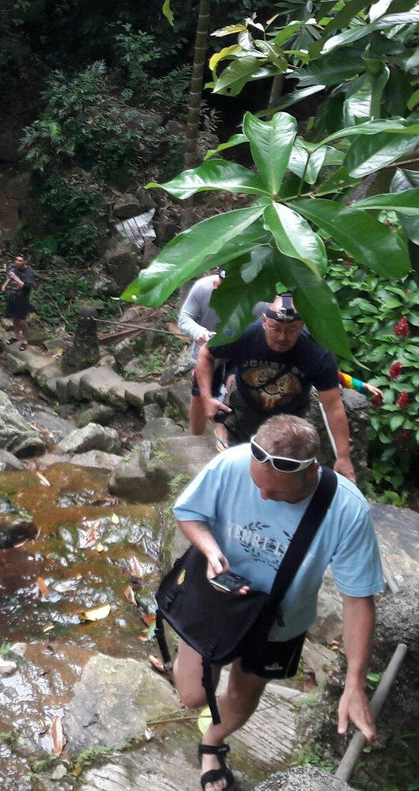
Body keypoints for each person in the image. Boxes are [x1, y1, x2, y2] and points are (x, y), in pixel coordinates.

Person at [172, 414, 382, 791]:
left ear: (310, 472)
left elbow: (358, 600)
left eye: (278, 493)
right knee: (192, 696)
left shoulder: (348, 511)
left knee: (243, 693)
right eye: (258, 486)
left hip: (280, 620)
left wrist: (355, 682)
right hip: (216, 599)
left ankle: (212, 743)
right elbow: (188, 513)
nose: (264, 497)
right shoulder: (231, 463)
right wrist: (210, 549)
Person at [196, 293, 357, 482]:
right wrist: (206, 398)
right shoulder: (243, 333)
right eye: (276, 328)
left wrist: (344, 456)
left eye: (291, 331)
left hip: (288, 420)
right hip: (243, 409)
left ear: (302, 326)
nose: (282, 337)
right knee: (236, 470)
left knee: (280, 475)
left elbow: (333, 406)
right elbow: (206, 354)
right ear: (264, 321)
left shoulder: (317, 353)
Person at [178, 270, 225, 437]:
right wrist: (198, 331)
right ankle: (195, 438)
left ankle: (224, 437)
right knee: (198, 397)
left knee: (232, 396)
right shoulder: (203, 288)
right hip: (205, 353)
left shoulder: (252, 293)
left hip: (235, 353)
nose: (218, 287)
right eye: (218, 283)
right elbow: (184, 318)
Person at [0, 254, 35, 351]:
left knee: (22, 321)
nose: (17, 262)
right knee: (14, 318)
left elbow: (27, 286)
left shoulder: (29, 272)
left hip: (22, 299)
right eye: (16, 260)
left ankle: (25, 340)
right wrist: (4, 285)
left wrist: (16, 278)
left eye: (20, 261)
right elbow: (9, 276)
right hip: (13, 296)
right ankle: (16, 337)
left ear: (25, 262)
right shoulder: (15, 268)